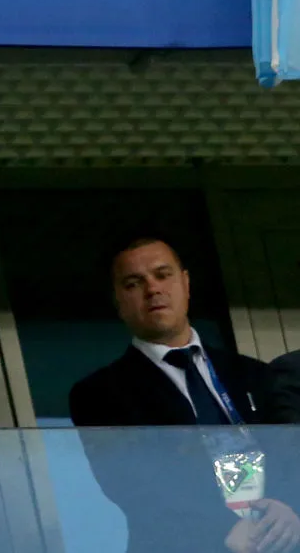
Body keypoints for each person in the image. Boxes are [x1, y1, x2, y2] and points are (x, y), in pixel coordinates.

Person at [69, 235, 300, 553]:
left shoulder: (254, 373)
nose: (153, 289)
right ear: (118, 302)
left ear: (186, 284)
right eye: (134, 283)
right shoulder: (98, 393)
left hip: (278, 541)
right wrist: (226, 528)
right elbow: (129, 484)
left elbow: (290, 456)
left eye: (163, 275)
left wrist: (290, 511)